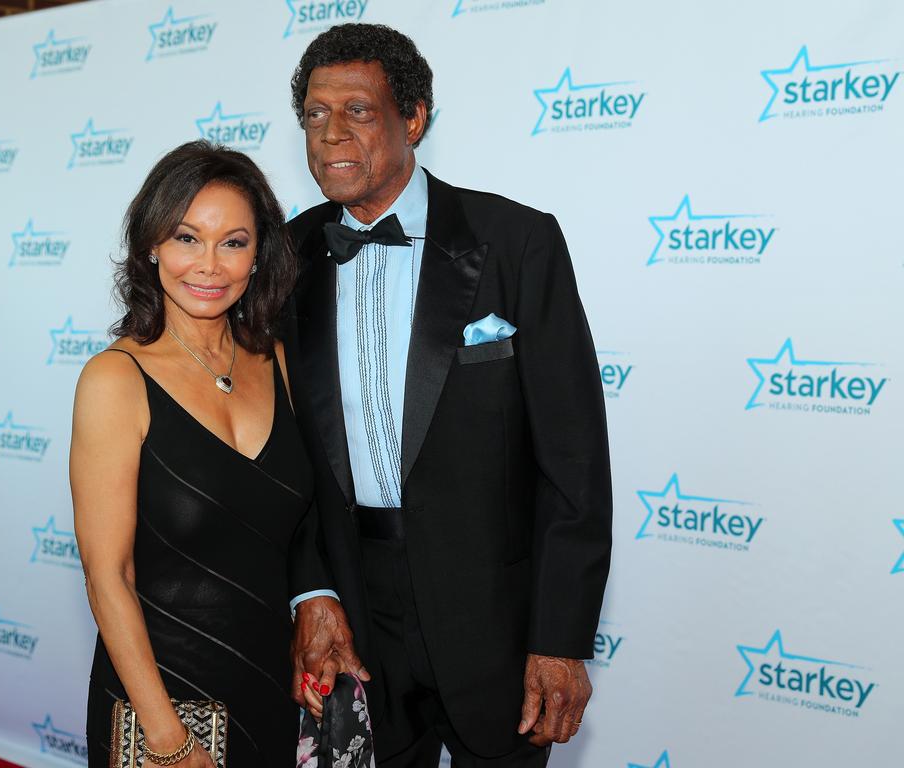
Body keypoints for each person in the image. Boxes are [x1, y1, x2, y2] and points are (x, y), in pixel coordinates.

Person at [283, 24, 613, 768]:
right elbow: (284, 454)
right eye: (313, 114)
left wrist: (559, 638)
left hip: (493, 620)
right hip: (351, 620)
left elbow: (574, 460)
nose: (330, 133)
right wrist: (311, 592)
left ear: (415, 118)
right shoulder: (287, 255)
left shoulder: (516, 242)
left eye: (358, 111)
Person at [71, 141, 310, 768]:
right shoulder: (116, 379)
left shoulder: (278, 363)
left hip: (268, 688)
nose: (209, 265)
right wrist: (169, 738)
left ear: (260, 254)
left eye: (233, 242)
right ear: (151, 246)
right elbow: (107, 574)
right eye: (186, 238)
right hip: (158, 700)